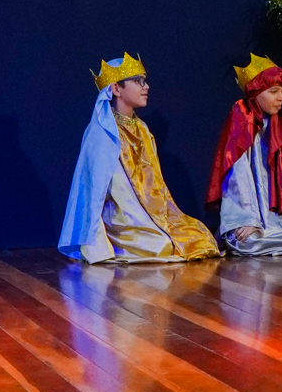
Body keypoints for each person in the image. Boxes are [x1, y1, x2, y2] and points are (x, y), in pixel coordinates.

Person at [59, 53, 220, 264]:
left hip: (149, 213)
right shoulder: (102, 133)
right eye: (138, 81)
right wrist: (95, 243)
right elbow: (94, 191)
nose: (146, 87)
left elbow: (155, 182)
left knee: (200, 236)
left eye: (145, 81)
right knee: (161, 245)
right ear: (116, 89)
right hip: (120, 217)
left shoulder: (142, 129)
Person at [207, 53, 282, 257]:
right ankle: (259, 233)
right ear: (255, 93)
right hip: (254, 217)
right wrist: (247, 220)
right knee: (250, 243)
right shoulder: (242, 116)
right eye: (273, 91)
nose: (280, 97)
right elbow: (238, 176)